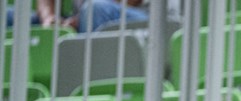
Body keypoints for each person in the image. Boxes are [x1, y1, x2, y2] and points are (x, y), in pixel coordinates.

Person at [8, 1, 180, 32]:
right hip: (82, 18)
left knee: (96, 10)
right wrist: (49, 18)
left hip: (148, 19)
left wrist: (80, 19)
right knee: (8, 16)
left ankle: (85, 88)